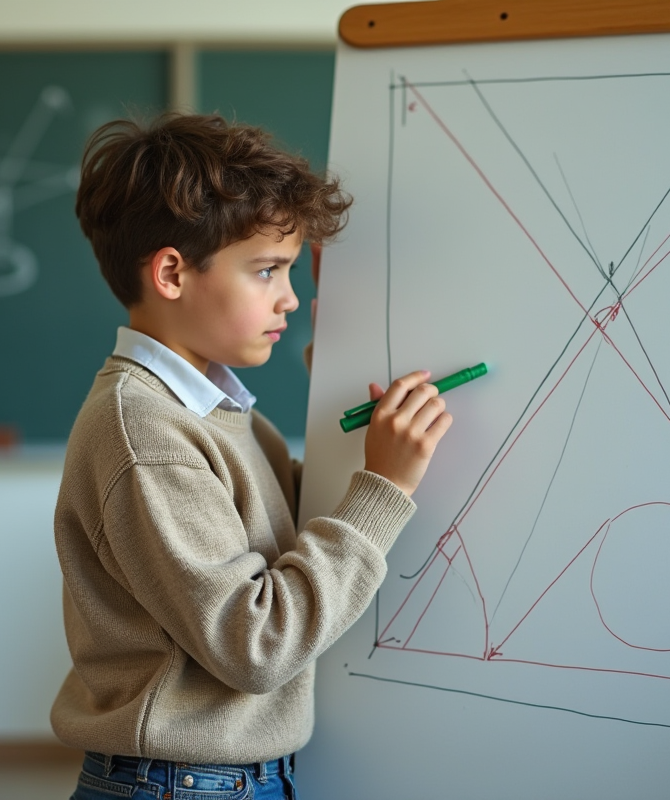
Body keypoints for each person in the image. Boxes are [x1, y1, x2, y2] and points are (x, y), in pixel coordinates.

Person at [53, 112, 453, 800]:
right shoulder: (149, 433)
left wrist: (340, 371)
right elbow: (255, 644)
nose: (291, 298)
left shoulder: (211, 411)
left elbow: (284, 528)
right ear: (173, 273)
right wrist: (383, 488)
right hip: (182, 785)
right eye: (267, 270)